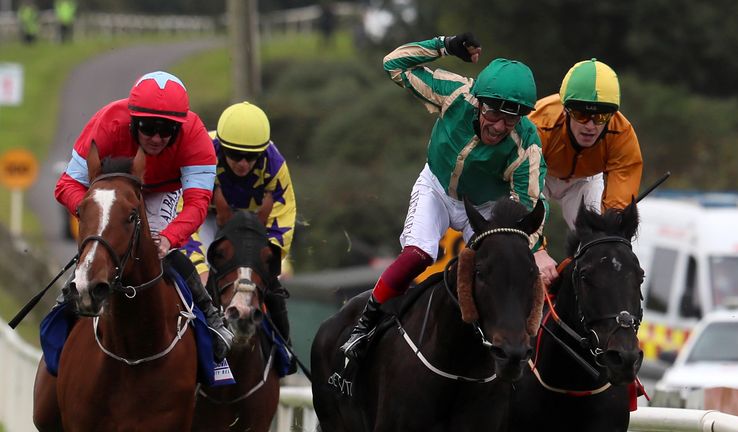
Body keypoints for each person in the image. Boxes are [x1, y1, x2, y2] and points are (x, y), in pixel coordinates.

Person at [340, 32, 551, 361]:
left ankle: (512, 345)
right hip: (437, 188)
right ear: (479, 101)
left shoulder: (528, 145)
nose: (498, 127)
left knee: (503, 265)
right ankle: (367, 321)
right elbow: (393, 65)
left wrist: (532, 250)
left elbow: (529, 210)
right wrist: (444, 46)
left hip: (483, 210)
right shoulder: (456, 93)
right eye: (493, 113)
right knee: (419, 255)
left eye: (511, 119)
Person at [54, 71, 233, 363]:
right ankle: (68, 298)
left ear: (181, 127)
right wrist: (95, 214)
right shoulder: (108, 123)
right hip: (113, 186)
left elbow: (198, 203)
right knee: (104, 236)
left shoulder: (196, 137)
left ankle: (211, 316)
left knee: (156, 246)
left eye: (168, 131)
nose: (157, 138)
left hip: (163, 191)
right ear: (132, 121)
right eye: (148, 128)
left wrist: (169, 238)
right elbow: (67, 186)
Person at [181, 101, 297, 373]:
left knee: (271, 286)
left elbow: (283, 219)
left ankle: (284, 350)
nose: (243, 163)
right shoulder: (201, 153)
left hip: (250, 221)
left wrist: (268, 263)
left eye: (251, 157)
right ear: (222, 147)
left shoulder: (275, 164)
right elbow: (181, 213)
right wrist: (199, 268)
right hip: (204, 215)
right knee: (190, 277)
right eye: (234, 155)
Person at [530, 59, 642, 283]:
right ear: (566, 110)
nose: (591, 126)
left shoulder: (622, 135)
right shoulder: (538, 124)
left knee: (603, 244)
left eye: (601, 116)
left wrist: (611, 237)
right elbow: (522, 191)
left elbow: (616, 211)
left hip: (583, 181)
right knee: (523, 241)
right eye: (581, 115)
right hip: (538, 176)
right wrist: (537, 251)